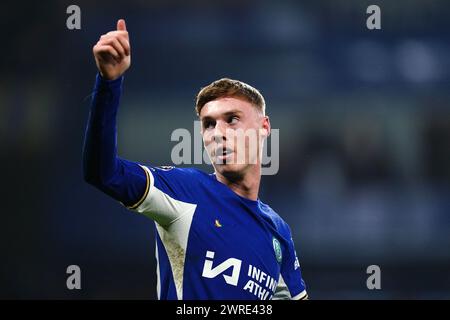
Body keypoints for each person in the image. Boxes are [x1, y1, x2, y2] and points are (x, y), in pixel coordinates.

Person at [83, 19, 308, 300]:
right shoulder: (184, 191)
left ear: (264, 127)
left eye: (232, 119)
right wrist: (109, 82)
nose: (219, 133)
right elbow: (103, 174)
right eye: (209, 124)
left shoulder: (278, 232)